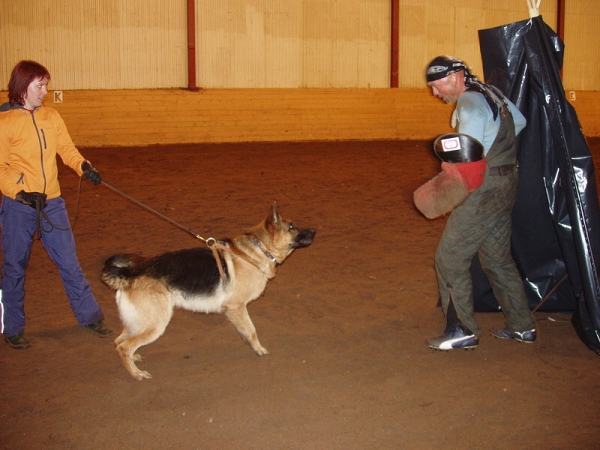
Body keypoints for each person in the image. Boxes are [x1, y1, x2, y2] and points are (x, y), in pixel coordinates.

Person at [424, 55, 536, 350]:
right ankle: (522, 325)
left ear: (456, 76)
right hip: (506, 181)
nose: (436, 94)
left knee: (449, 258)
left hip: (484, 189)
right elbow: (519, 121)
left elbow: (468, 157)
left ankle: (461, 329)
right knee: (497, 259)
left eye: (437, 86)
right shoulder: (491, 93)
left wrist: (449, 190)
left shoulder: (469, 102)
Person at [0, 60, 112, 349]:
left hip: (52, 203)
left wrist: (83, 166)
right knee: (14, 268)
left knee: (69, 263)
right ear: (23, 87)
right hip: (18, 207)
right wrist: (19, 193)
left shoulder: (51, 116)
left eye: (46, 85)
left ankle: (90, 316)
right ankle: (12, 327)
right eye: (39, 86)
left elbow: (66, 149)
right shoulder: (5, 123)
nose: (44, 92)